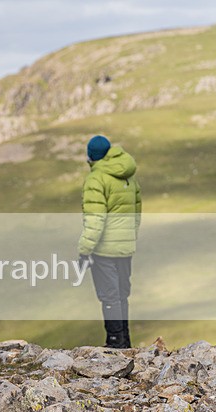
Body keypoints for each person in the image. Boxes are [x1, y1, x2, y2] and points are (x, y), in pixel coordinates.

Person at [79, 135, 141, 349]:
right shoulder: (128, 174)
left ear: (92, 156)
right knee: (122, 295)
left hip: (104, 250)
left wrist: (85, 250)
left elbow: (95, 219)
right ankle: (125, 342)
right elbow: (137, 209)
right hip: (125, 247)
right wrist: (130, 236)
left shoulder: (96, 178)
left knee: (109, 296)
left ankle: (115, 344)